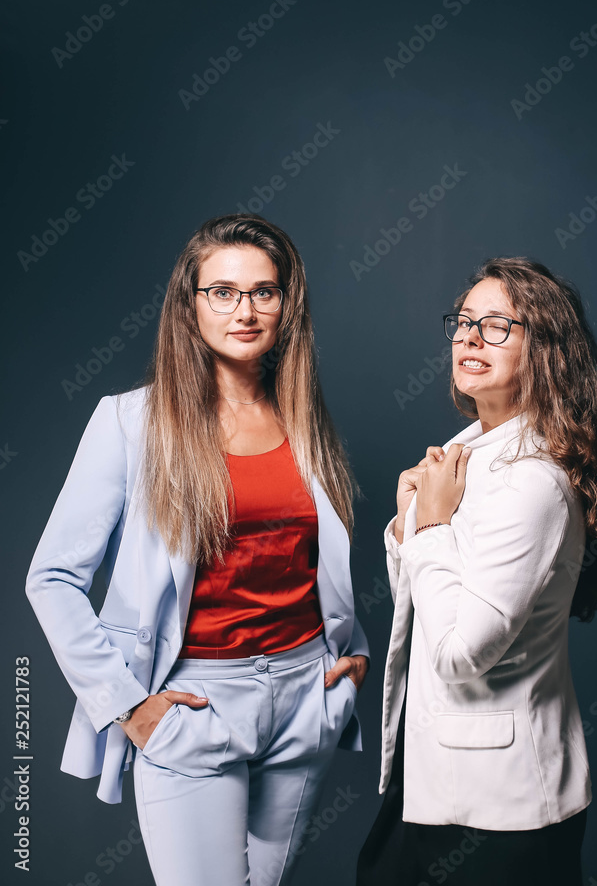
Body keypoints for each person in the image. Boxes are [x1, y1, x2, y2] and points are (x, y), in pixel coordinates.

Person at [26, 213, 369, 886]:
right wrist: (127, 705)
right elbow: (54, 577)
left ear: (286, 304)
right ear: (191, 304)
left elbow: (309, 562)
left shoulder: (303, 418)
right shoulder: (130, 423)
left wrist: (352, 656)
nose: (245, 310)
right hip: (195, 704)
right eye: (223, 291)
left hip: (307, 696)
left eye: (264, 292)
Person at [357, 257, 597, 886]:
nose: (469, 336)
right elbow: (431, 611)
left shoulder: (531, 480)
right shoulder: (465, 457)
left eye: (498, 326)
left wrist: (430, 524)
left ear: (548, 352)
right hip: (436, 781)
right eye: (462, 321)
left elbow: (459, 653)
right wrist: (411, 526)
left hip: (497, 810)